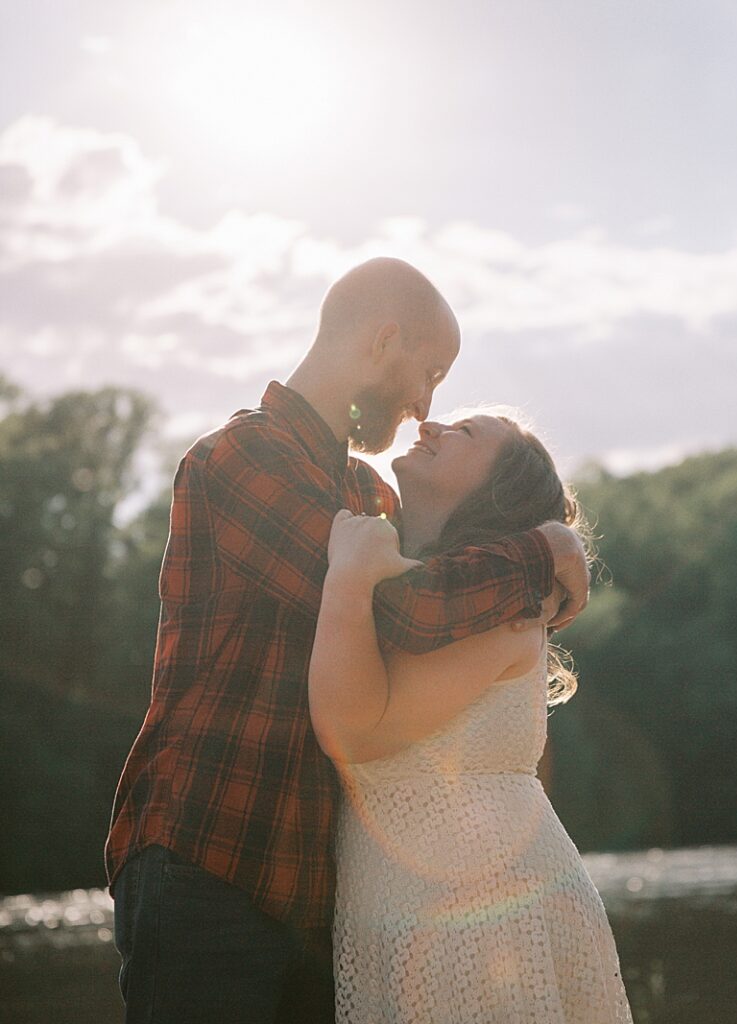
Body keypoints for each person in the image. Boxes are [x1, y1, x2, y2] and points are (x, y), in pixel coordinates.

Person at [105, 257, 589, 1023]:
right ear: (382, 340)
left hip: (317, 884)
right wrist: (544, 549)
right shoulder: (239, 459)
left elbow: (428, 629)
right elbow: (405, 613)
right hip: (209, 856)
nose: (426, 403)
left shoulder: (368, 494)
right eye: (428, 372)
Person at [309, 412, 633, 1023]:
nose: (430, 424)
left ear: (500, 487)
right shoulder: (434, 582)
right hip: (410, 892)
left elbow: (355, 734)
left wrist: (347, 580)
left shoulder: (506, 599)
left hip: (478, 904)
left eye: (466, 432)